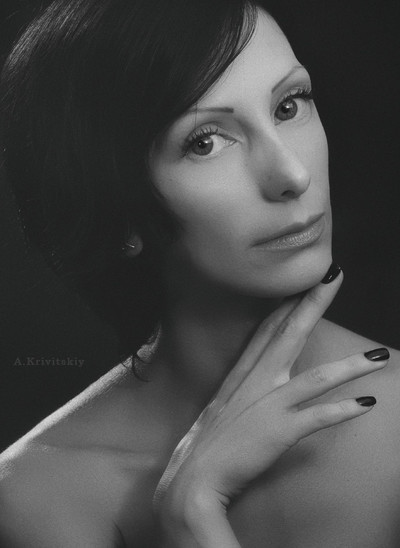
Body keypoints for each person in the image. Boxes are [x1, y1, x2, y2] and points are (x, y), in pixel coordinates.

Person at [0, 1, 399, 546]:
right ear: (117, 211)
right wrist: (191, 511)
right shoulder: (37, 495)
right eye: (205, 142)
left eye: (289, 105)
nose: (292, 174)